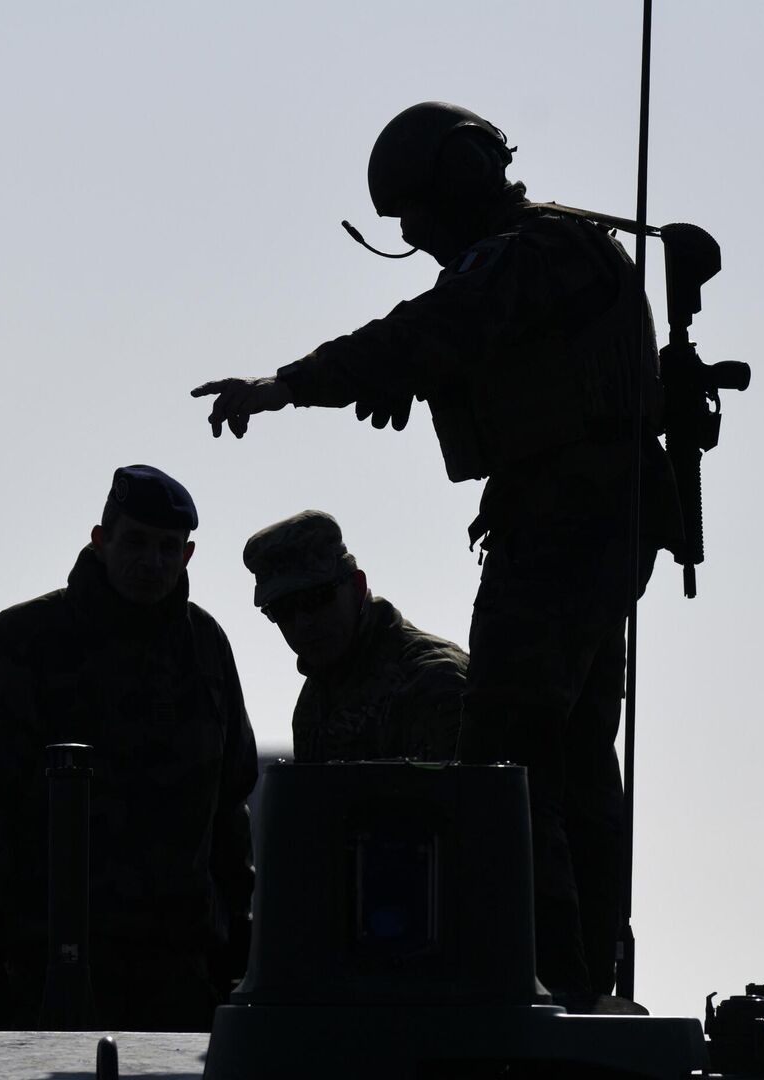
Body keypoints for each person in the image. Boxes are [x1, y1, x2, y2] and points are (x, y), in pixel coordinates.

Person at [191, 102, 680, 1009]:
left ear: (460, 180)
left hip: (565, 531)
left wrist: (288, 387)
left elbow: (428, 331)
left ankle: (536, 980)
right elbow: (473, 350)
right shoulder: (550, 259)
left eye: (416, 212)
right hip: (575, 525)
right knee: (564, 764)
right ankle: (567, 980)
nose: (414, 236)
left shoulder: (539, 252)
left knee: (504, 767)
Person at [0, 465, 258, 1032]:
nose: (151, 561)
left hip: (178, 975)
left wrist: (238, 962)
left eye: (166, 547)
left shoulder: (205, 649)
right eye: (135, 541)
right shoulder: (21, 642)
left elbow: (228, 813)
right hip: (42, 968)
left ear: (187, 555)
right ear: (100, 540)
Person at [242, 509, 465, 762]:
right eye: (282, 610)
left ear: (357, 587)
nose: (302, 622)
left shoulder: (434, 683)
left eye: (316, 599)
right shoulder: (315, 701)